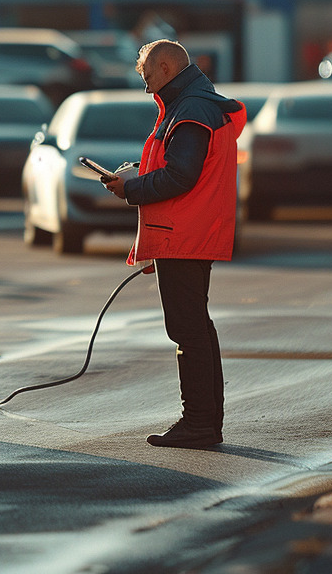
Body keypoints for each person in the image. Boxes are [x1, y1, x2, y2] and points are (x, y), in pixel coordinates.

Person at [101, 39, 246, 449]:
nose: (147, 88)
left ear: (166, 68)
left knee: (187, 329)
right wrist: (137, 178)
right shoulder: (198, 103)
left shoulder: (192, 109)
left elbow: (181, 176)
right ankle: (204, 422)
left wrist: (131, 188)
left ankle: (199, 424)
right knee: (196, 326)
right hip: (191, 233)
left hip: (184, 235)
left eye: (147, 77)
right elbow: (184, 170)